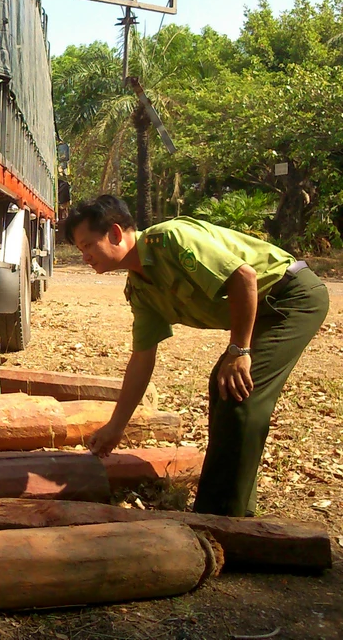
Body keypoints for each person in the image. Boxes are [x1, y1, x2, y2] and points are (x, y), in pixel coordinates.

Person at [62, 195, 328, 517]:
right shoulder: (141, 288)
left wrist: (239, 350)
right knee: (225, 388)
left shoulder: (171, 240)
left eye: (88, 246)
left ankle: (219, 519)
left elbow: (244, 277)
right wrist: (116, 427)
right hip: (263, 308)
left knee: (239, 394)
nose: (85, 257)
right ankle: (236, 508)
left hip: (291, 297)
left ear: (116, 233)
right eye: (81, 250)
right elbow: (142, 359)